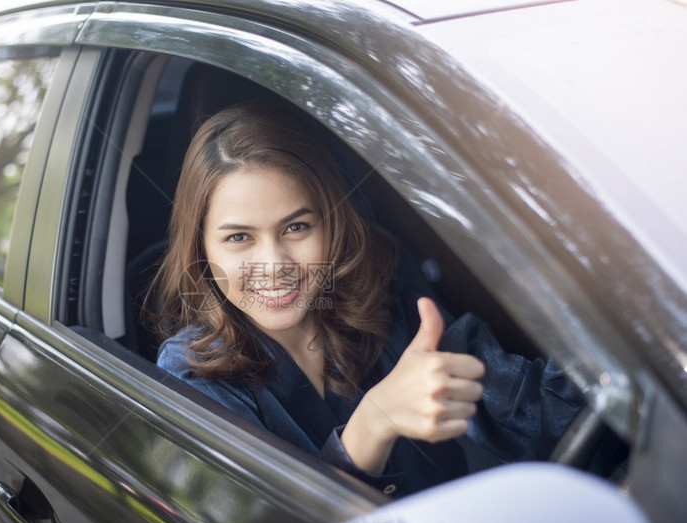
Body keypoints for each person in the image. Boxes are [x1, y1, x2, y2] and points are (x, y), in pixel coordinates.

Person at [151, 101, 584, 497]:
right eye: (239, 238)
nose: (274, 264)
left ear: (331, 226)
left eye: (297, 228)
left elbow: (538, 413)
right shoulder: (192, 375)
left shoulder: (388, 308)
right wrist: (375, 421)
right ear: (202, 248)